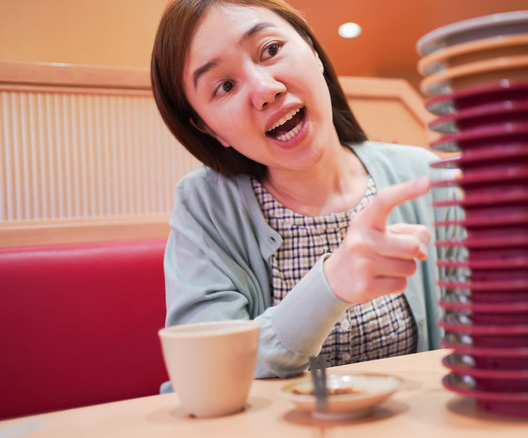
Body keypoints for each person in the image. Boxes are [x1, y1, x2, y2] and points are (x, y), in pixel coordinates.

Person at [150, 0, 461, 383]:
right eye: (225, 86)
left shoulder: (428, 177)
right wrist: (331, 284)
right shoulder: (206, 207)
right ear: (211, 130)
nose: (265, 91)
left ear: (313, 51)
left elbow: (484, 337)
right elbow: (203, 373)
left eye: (270, 50)